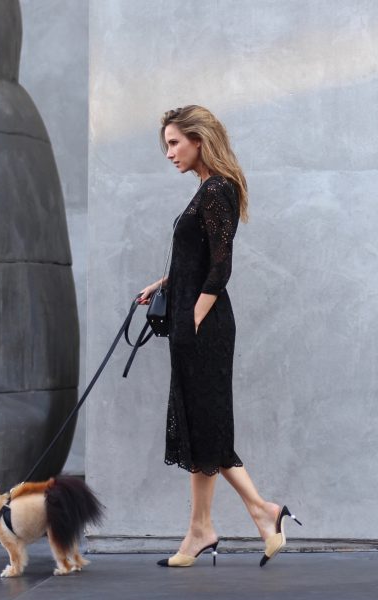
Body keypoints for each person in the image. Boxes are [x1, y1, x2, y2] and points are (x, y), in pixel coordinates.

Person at [138, 105, 302, 568]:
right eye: (166, 144)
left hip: (203, 327)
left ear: (199, 139)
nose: (169, 153)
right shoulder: (207, 191)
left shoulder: (216, 190)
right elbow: (196, 259)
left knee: (206, 425)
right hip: (196, 320)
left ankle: (258, 511)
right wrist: (164, 283)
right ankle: (204, 528)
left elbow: (221, 266)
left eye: (174, 142)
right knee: (199, 425)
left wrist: (193, 316)